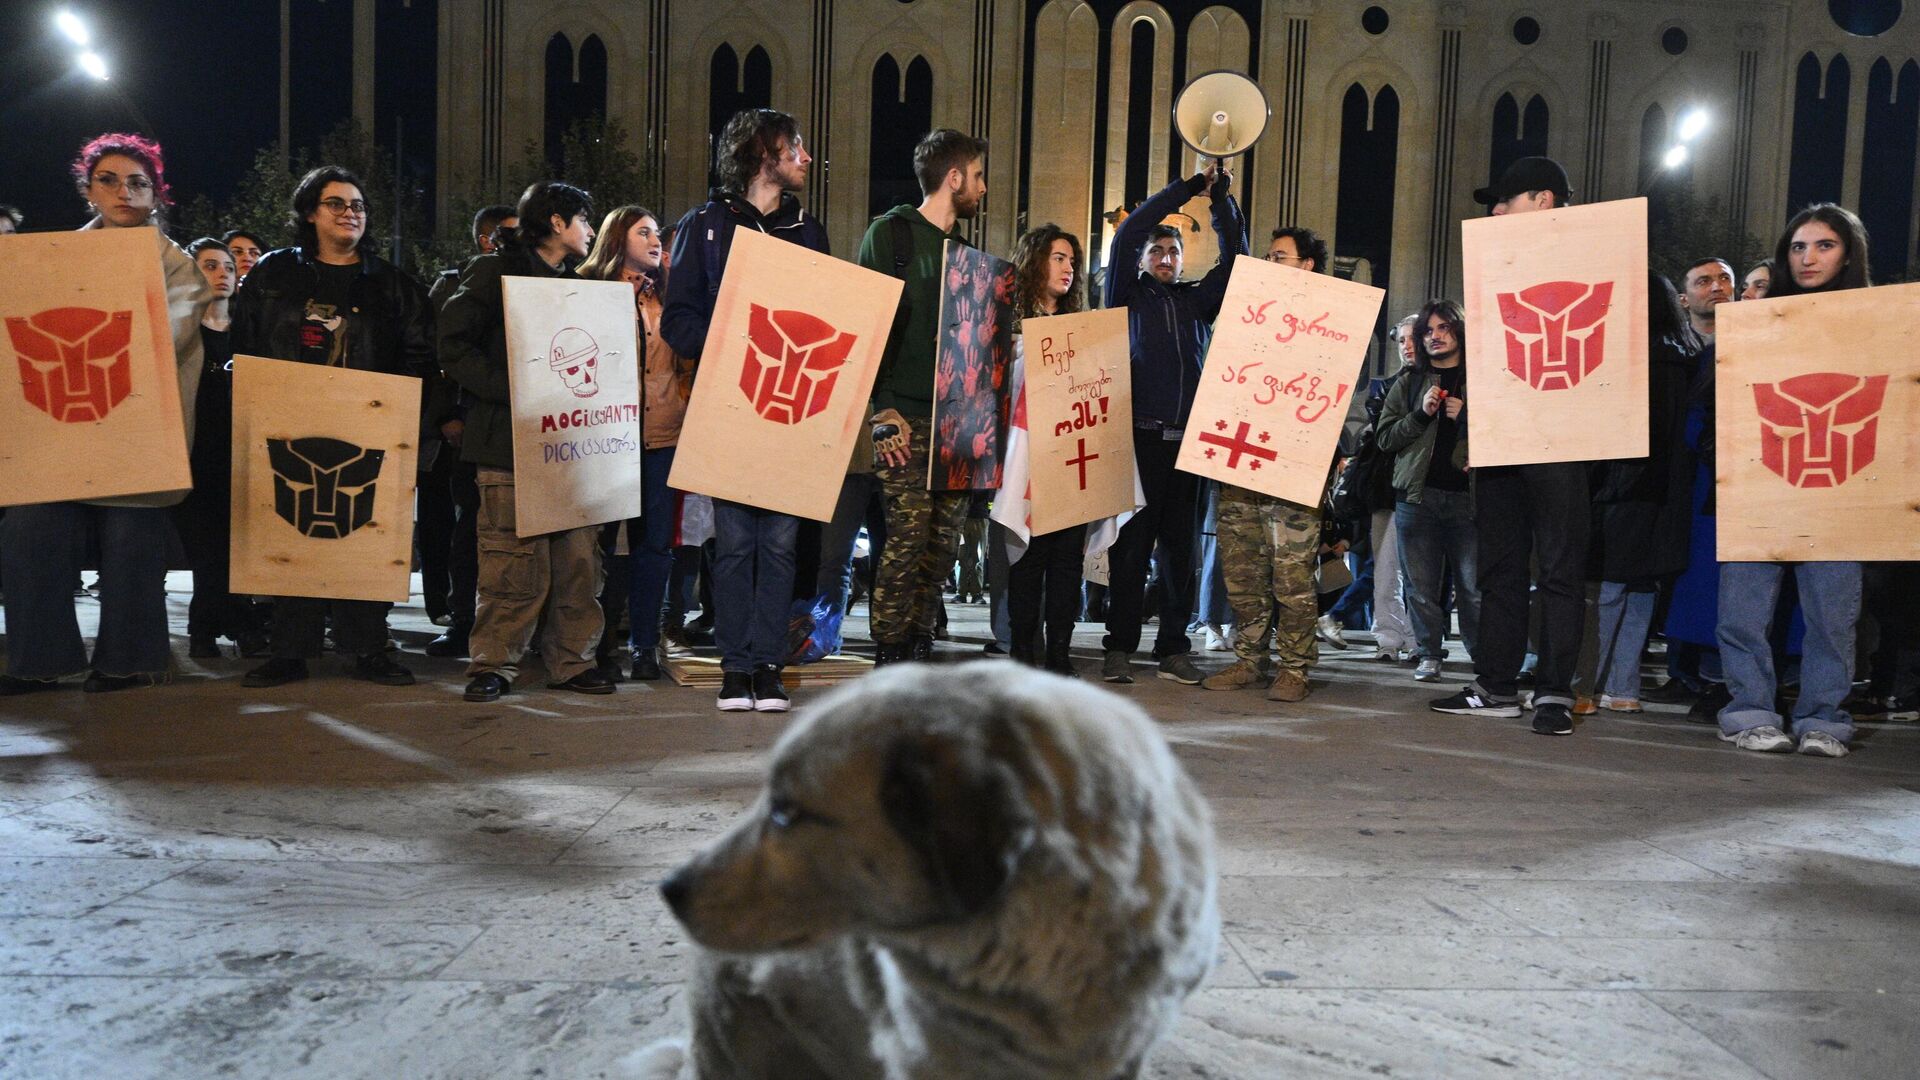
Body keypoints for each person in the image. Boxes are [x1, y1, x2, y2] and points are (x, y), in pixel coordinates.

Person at [1, 134, 211, 695]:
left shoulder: (179, 267)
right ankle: (38, 661)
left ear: (156, 194)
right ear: (87, 190)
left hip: (138, 429)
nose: (124, 191)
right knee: (27, 531)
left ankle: (130, 661)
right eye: (109, 179)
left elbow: (163, 339)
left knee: (131, 543)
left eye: (138, 181)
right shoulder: (50, 259)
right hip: (57, 429)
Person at [229, 166, 434, 688]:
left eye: (359, 205)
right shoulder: (273, 275)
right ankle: (289, 650)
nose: (351, 214)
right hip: (287, 422)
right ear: (309, 212)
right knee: (293, 526)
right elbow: (246, 343)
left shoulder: (391, 283)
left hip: (368, 428)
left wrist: (395, 410)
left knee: (362, 531)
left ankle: (368, 647)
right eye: (337, 203)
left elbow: (419, 353)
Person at [664, 109, 830, 712]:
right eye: (797, 147)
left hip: (791, 408)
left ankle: (769, 667)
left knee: (782, 545)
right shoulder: (703, 226)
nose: (806, 158)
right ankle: (736, 668)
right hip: (729, 407)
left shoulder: (808, 230)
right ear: (764, 153)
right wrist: (737, 334)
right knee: (733, 545)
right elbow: (677, 322)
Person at [1429, 156, 1591, 736]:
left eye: (1507, 199)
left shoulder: (1596, 257)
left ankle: (1553, 692)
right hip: (1500, 443)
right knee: (1498, 570)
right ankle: (1496, 683)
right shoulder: (1496, 269)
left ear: (1543, 201)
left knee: (1559, 572)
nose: (1495, 210)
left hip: (1562, 442)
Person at [440, 181, 615, 702]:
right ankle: (493, 664)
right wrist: (507, 389)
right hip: (506, 447)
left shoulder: (578, 285)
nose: (589, 229)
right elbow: (450, 341)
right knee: (511, 561)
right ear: (557, 223)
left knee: (578, 562)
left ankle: (573, 661)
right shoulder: (495, 272)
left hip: (570, 449)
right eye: (583, 219)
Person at [1715, 203, 1873, 758]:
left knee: (1832, 614)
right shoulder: (1757, 321)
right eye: (1798, 247)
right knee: (1744, 611)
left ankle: (1824, 718)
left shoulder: (1876, 320)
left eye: (1824, 245)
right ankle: (1750, 713)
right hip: (1762, 479)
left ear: (1848, 252)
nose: (1808, 257)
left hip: (1842, 482)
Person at [1099, 162, 1247, 684]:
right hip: (1138, 440)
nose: (1165, 257)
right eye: (1157, 252)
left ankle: (1172, 647)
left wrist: (1221, 200)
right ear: (1142, 260)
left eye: (1174, 252)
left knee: (1180, 553)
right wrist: (1186, 189)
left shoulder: (1195, 303)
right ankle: (1119, 646)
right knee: (1132, 550)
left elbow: (1237, 262)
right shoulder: (1125, 296)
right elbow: (1130, 231)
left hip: (1189, 447)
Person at [857, 128, 990, 667]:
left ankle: (919, 637)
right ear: (953, 178)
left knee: (944, 544)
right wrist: (882, 408)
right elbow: (868, 327)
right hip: (904, 414)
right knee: (906, 536)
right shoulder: (891, 236)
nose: (983, 187)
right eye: (978, 176)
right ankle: (890, 646)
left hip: (959, 421)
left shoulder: (969, 256)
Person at [1199, 226, 1334, 701]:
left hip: (1294, 468)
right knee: (1243, 570)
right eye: (1269, 255)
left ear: (1306, 266)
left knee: (1293, 576)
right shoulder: (1248, 314)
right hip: (1241, 462)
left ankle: (1294, 667)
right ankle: (1248, 660)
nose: (1269, 262)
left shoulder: (1333, 321)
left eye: (1279, 256)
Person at [1579, 275, 1703, 715]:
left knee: (1608, 591)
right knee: (1641, 589)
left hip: (1625, 488)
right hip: (1669, 493)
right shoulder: (1688, 357)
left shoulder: (1634, 359)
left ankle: (1588, 688)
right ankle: (1624, 688)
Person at [578, 204, 690, 681]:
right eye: (642, 233)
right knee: (596, 546)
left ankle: (645, 646)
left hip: (663, 436)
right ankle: (593, 646)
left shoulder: (671, 296)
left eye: (656, 235)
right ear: (616, 238)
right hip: (605, 435)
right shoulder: (589, 291)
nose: (655, 240)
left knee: (654, 548)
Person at [420, 204, 517, 659]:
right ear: (488, 239)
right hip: (470, 422)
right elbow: (438, 357)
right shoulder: (457, 283)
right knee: (469, 528)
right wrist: (445, 417)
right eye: (512, 234)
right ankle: (462, 619)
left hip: (513, 428)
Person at [1000, 223, 1088, 676]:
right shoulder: (1007, 322)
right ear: (1035, 261)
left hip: (1073, 458)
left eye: (1072, 260)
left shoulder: (1082, 329)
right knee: (1029, 557)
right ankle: (1021, 651)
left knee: (1067, 561)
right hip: (1026, 456)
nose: (1068, 268)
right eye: (1059, 257)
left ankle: (1058, 654)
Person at [1376, 300, 1478, 682]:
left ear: (1459, 330)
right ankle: (1429, 653)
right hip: (1417, 499)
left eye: (1443, 328)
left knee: (1472, 588)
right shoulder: (1410, 381)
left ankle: (1482, 657)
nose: (1435, 337)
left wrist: (1466, 416)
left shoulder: (1479, 378)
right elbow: (1385, 439)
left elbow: (1506, 432)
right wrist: (1420, 414)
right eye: (1428, 331)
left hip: (1469, 499)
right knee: (1421, 588)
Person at [173, 238, 264, 659]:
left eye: (228, 267)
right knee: (207, 551)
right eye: (211, 266)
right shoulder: (181, 335)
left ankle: (239, 627)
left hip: (243, 457)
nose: (223, 273)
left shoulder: (251, 334)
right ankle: (204, 629)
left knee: (241, 549)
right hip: (195, 457)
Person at [1678, 257, 1734, 343]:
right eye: (1703, 282)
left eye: (1725, 279)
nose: (1717, 287)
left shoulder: (1755, 335)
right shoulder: (1671, 344)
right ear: (1684, 301)